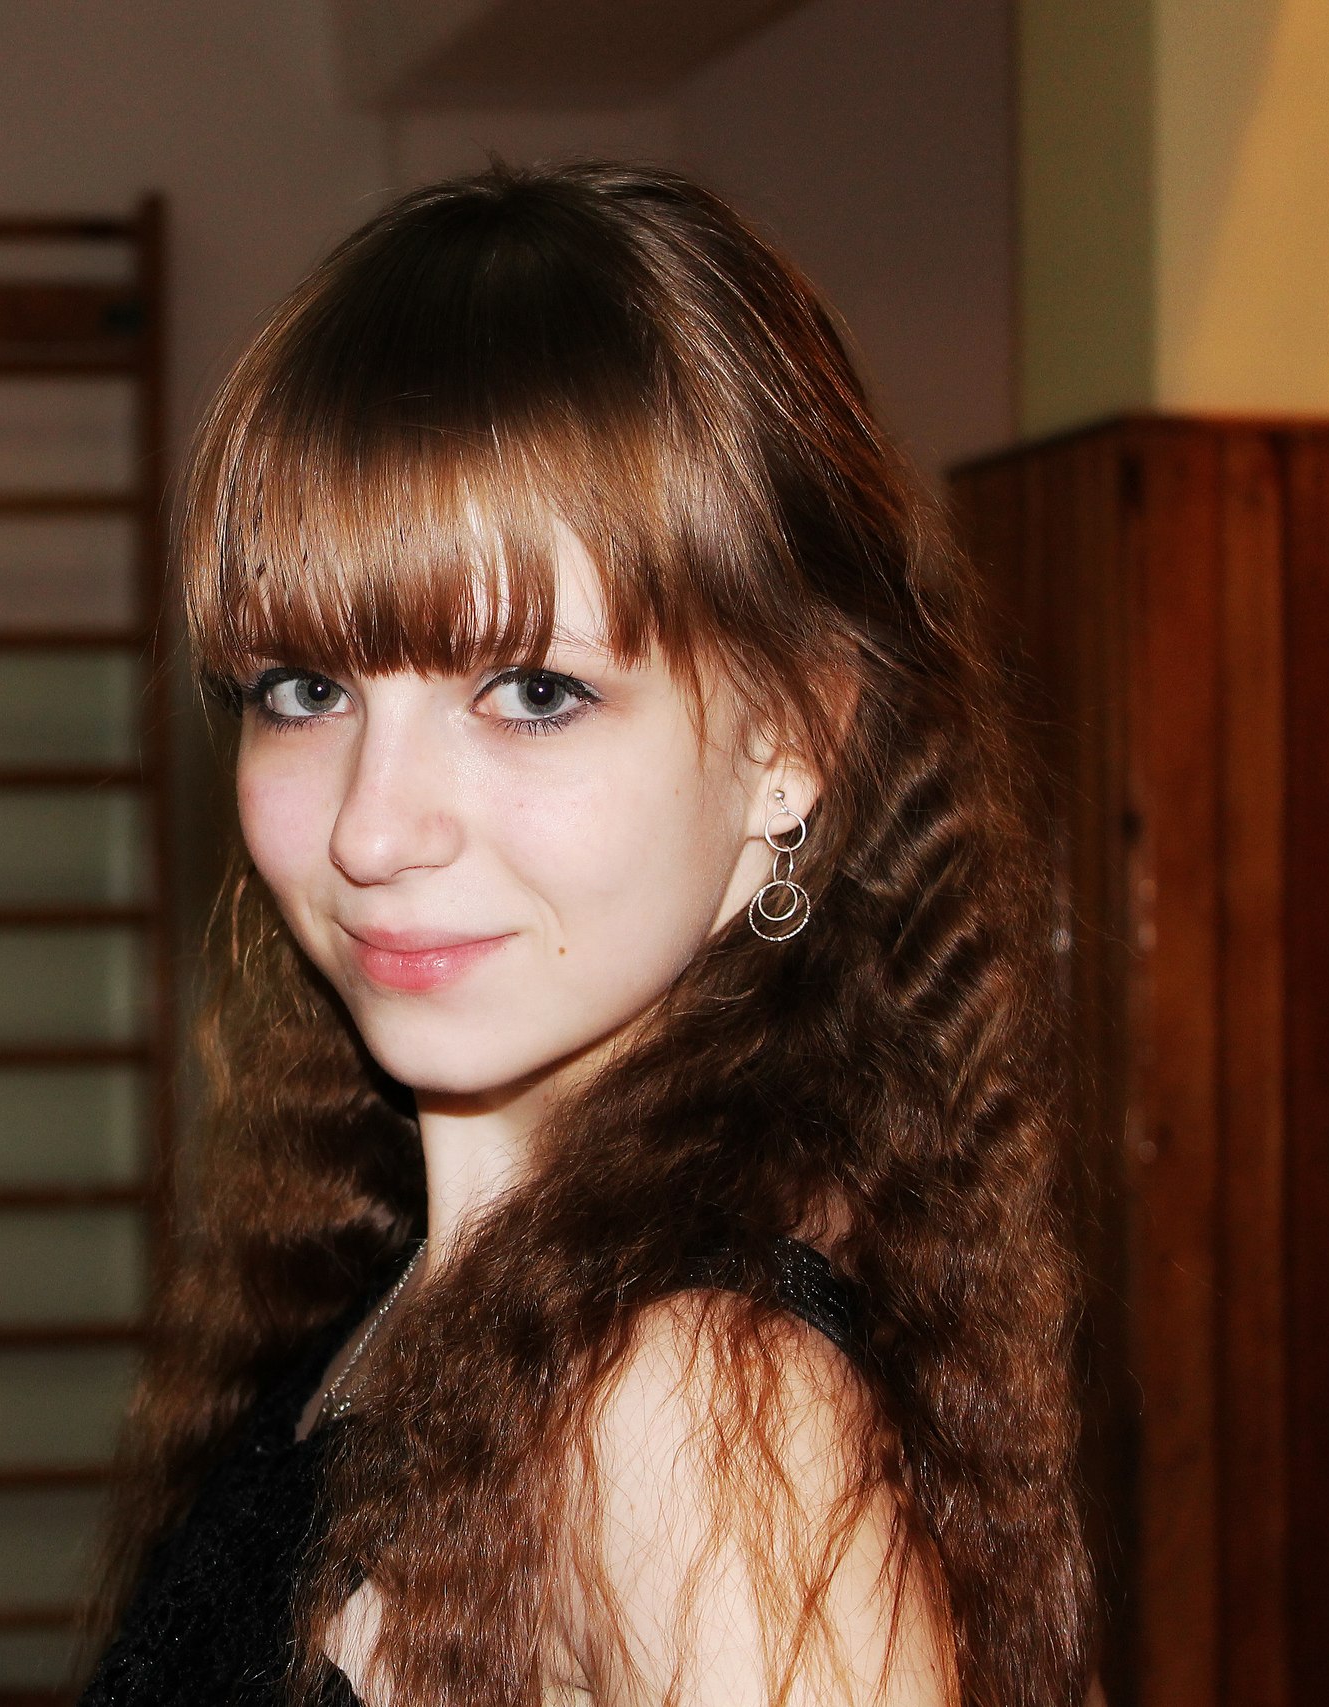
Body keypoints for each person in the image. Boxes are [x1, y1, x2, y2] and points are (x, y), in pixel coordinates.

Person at [75, 164, 1093, 1707]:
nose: (370, 830)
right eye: (306, 688)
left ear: (788, 746)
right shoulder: (398, 1310)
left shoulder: (695, 1416)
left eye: (533, 693)